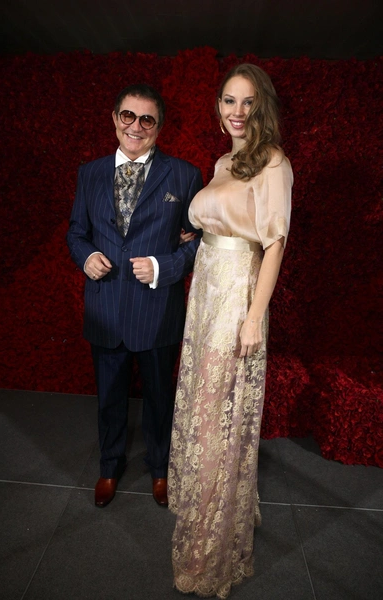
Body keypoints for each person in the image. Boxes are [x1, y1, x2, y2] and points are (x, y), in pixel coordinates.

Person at [167, 64, 293, 598]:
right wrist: (196, 231)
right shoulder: (223, 162)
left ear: (261, 107)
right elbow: (219, 221)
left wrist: (253, 317)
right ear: (218, 108)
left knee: (218, 411)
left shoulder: (273, 162)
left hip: (237, 295)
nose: (236, 111)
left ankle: (209, 547)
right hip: (205, 293)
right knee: (206, 405)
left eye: (247, 102)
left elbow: (274, 243)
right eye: (228, 101)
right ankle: (216, 504)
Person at [67, 84, 202, 509]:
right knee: (109, 398)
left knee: (160, 398)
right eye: (128, 116)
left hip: (157, 310)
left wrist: (164, 268)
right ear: (114, 118)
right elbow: (76, 232)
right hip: (105, 307)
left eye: (147, 119)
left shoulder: (184, 175)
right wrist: (86, 256)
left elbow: (200, 241)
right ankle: (109, 466)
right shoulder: (90, 173)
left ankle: (161, 469)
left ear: (159, 127)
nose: (136, 126)